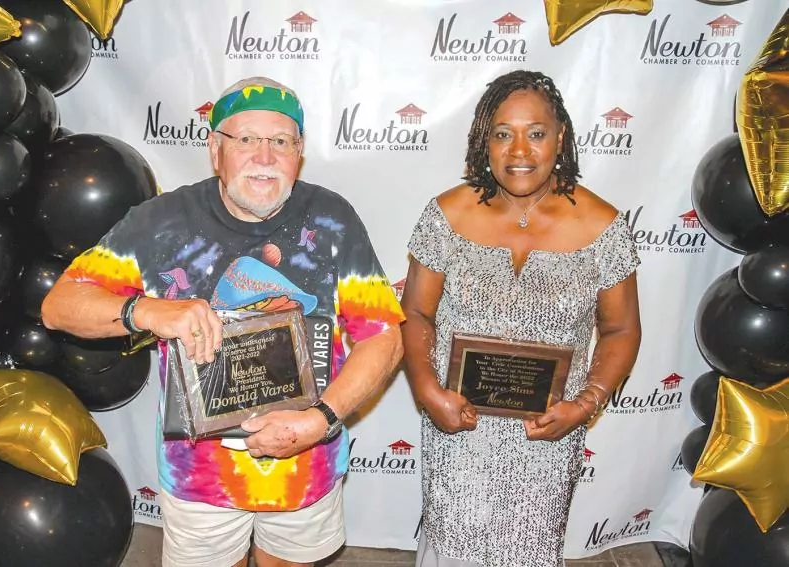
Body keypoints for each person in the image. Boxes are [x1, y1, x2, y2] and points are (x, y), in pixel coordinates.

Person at [41, 76, 404, 567]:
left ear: (299, 152)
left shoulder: (332, 218)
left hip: (305, 462)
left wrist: (320, 419)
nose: (265, 156)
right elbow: (59, 306)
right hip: (201, 476)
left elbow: (384, 338)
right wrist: (147, 310)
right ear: (215, 149)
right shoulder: (160, 221)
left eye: (281, 141)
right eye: (246, 139)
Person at [400, 70, 642, 567]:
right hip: (459, 430)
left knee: (529, 549)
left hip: (548, 435)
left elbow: (621, 329)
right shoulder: (446, 215)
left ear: (561, 137)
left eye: (535, 133)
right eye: (502, 134)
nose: (519, 151)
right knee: (452, 549)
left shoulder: (603, 227)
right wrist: (427, 390)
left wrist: (585, 404)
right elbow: (416, 312)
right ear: (483, 141)